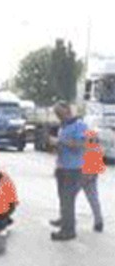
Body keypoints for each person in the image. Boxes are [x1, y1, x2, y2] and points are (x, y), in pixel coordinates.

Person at [50, 102, 104, 240]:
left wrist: (62, 143)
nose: (59, 116)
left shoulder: (79, 125)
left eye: (60, 113)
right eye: (57, 114)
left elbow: (84, 144)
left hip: (77, 168)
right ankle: (66, 222)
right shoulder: (64, 126)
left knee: (86, 196)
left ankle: (71, 228)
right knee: (65, 199)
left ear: (67, 110)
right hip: (64, 167)